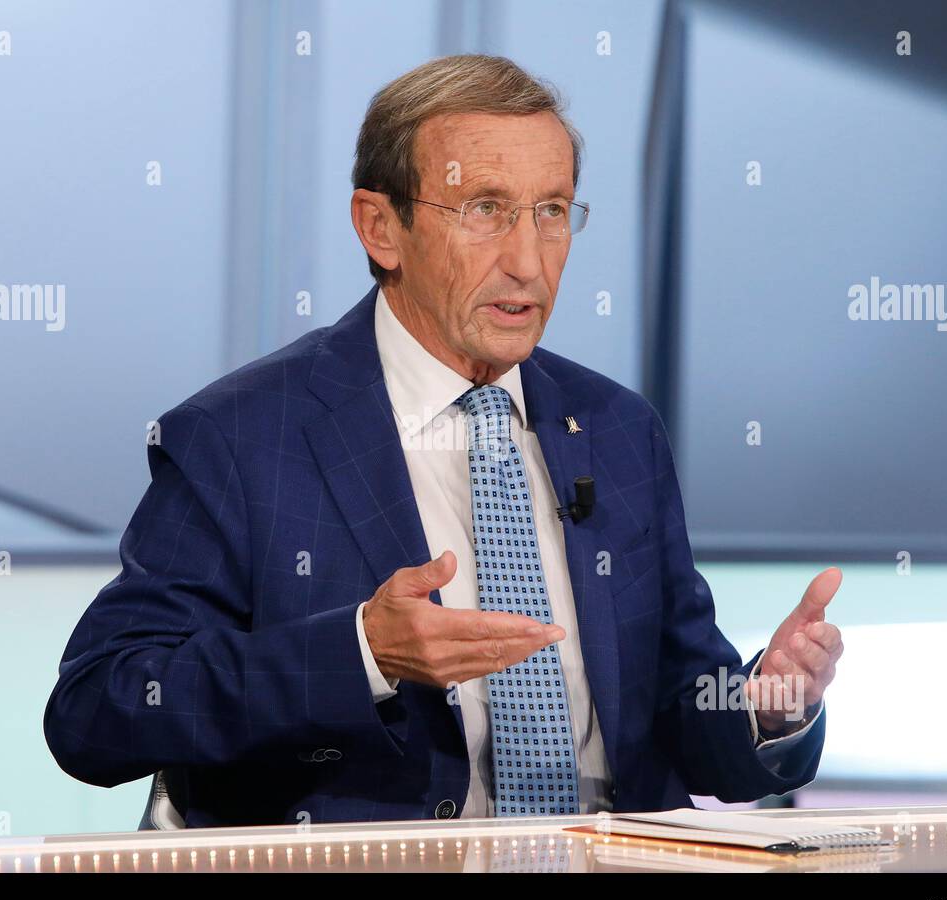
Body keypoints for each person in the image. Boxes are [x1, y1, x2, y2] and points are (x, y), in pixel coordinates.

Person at [43, 54, 843, 829]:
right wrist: (363, 650)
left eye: (553, 211)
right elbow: (98, 707)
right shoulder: (245, 437)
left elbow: (682, 718)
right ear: (381, 227)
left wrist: (765, 704)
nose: (528, 261)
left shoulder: (617, 428)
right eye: (485, 209)